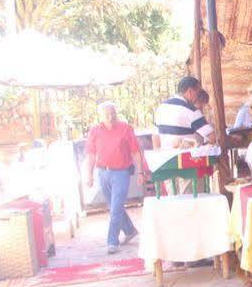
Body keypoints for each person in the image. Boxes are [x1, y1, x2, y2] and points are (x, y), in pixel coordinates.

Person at [84, 102, 147, 254]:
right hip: (103, 172)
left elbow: (136, 152)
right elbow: (91, 154)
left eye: (113, 114)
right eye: (106, 115)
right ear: (100, 116)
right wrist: (89, 175)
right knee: (114, 206)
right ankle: (130, 230)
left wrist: (140, 172)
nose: (110, 117)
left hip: (121, 172)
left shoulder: (125, 128)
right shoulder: (95, 131)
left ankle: (112, 241)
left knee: (116, 207)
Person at [155, 76, 215, 148]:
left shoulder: (161, 107)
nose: (198, 96)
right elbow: (212, 137)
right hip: (185, 157)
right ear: (190, 91)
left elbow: (155, 137)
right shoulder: (191, 111)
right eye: (198, 92)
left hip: (166, 156)